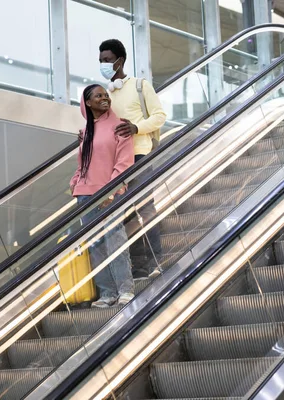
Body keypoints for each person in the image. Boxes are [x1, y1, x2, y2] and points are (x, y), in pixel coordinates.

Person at [98, 39, 168, 279]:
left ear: (120, 60)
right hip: (117, 162)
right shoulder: (106, 95)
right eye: (101, 61)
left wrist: (136, 128)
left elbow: (160, 116)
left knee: (145, 208)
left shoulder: (140, 85)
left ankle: (156, 262)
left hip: (140, 154)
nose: (103, 65)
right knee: (126, 213)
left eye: (107, 60)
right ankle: (138, 268)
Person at [70, 84, 135, 308]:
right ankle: (107, 294)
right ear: (88, 103)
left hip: (110, 193)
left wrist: (112, 190)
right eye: (98, 96)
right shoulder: (86, 131)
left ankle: (125, 290)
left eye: (106, 95)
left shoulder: (119, 127)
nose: (104, 98)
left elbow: (125, 162)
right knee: (95, 245)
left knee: (115, 240)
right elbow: (83, 164)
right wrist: (75, 183)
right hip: (85, 195)